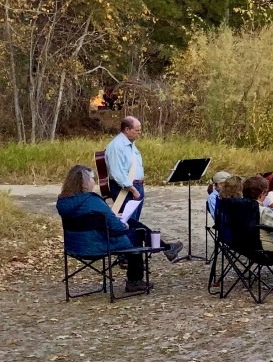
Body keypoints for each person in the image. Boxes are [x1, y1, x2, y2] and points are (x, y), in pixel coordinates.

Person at [57, 164, 182, 294]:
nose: (94, 181)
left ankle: (166, 248)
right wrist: (123, 225)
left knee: (132, 222)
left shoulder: (63, 202)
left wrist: (111, 217)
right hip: (97, 244)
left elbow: (90, 219)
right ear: (84, 183)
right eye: (93, 178)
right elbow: (116, 228)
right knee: (137, 232)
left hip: (75, 245)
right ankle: (135, 280)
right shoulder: (91, 200)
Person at [104, 116, 145, 219]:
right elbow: (118, 173)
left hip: (136, 186)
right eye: (137, 130)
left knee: (135, 222)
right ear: (127, 130)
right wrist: (133, 190)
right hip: (125, 189)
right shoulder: (116, 146)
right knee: (127, 222)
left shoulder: (131, 144)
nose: (139, 133)